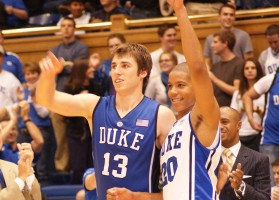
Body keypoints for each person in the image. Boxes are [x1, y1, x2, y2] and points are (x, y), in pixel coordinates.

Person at [107, 0, 221, 199]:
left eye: (181, 85)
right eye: (169, 86)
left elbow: (198, 67)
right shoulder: (173, 129)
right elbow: (168, 195)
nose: (173, 92)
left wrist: (180, 11)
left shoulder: (203, 117)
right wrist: (134, 196)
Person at [36, 40, 176, 200]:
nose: (116, 71)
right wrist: (47, 76)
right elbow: (47, 100)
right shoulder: (94, 105)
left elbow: (175, 187)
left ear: (143, 72)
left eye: (125, 65)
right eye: (114, 66)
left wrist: (135, 197)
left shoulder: (161, 115)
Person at [243, 50, 279, 186]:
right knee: (271, 183)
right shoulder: (272, 79)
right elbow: (247, 96)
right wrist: (251, 119)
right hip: (270, 141)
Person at [50, 16, 89, 172]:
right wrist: (67, 65)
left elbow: (78, 69)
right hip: (58, 96)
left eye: (69, 25)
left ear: (74, 28)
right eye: (63, 25)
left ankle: (78, 166)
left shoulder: (82, 47)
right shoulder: (55, 49)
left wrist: (63, 66)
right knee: (56, 120)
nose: (66, 28)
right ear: (60, 29)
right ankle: (62, 166)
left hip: (76, 94)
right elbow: (53, 72)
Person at [16, 62, 55, 186]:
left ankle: (44, 190)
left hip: (40, 129)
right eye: (27, 74)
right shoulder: (22, 91)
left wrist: (34, 97)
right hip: (23, 130)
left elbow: (44, 113)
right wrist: (20, 102)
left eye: (33, 73)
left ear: (38, 74)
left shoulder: (44, 89)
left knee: (41, 165)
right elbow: (18, 115)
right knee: (23, 161)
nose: (30, 76)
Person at [219, 106, 271, 200]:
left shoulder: (258, 160)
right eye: (215, 123)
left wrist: (241, 186)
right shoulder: (205, 156)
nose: (219, 126)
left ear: (238, 125)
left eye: (224, 122)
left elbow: (264, 198)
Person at [63, 58, 102, 184]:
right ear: (82, 71)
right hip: (76, 134)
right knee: (78, 165)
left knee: (94, 164)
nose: (92, 70)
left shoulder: (97, 88)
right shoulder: (69, 89)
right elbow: (65, 114)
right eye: (89, 67)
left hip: (94, 134)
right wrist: (78, 102)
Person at [204, 4, 253, 69]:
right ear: (219, 17)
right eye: (225, 14)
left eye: (231, 15)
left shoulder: (244, 36)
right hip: (217, 75)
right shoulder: (210, 39)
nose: (228, 17)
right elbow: (207, 64)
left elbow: (249, 61)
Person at [230, 58, 264, 151]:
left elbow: (268, 114)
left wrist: (258, 110)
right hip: (241, 133)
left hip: (258, 133)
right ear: (243, 72)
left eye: (253, 68)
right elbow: (233, 116)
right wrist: (243, 108)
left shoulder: (264, 92)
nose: (250, 70)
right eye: (247, 68)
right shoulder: (237, 93)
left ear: (258, 70)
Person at [209, 30, 243, 107]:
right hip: (215, 111)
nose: (212, 45)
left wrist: (215, 80)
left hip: (231, 111)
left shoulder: (239, 64)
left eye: (215, 42)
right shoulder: (215, 66)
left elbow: (237, 91)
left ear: (225, 43)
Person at [0, 45, 21, 109]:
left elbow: (20, 102)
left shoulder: (11, 79)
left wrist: (6, 110)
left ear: (3, 58)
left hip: (8, 118)